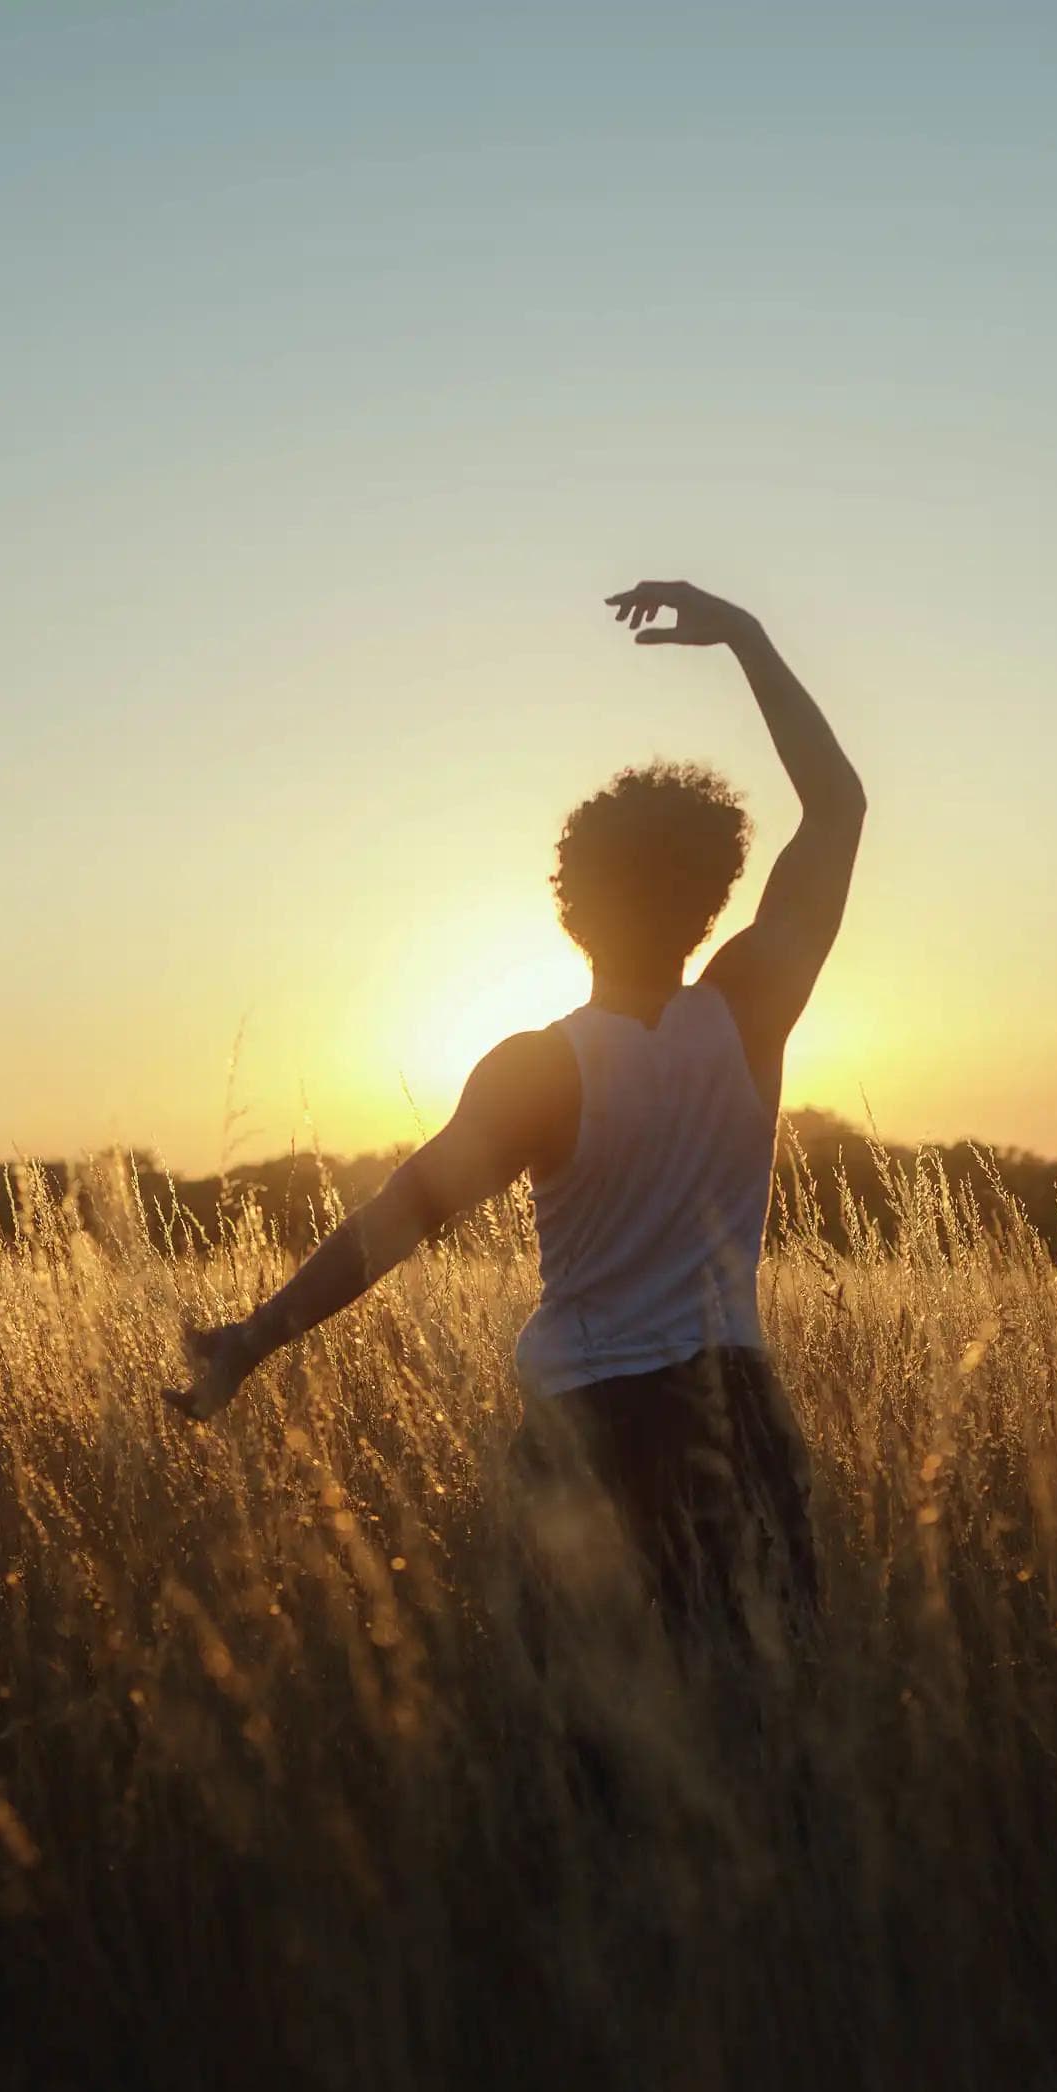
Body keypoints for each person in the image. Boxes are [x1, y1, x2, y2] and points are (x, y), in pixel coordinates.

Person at [167, 580, 865, 1665]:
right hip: (737, 1410)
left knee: (590, 1741)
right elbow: (836, 809)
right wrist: (744, 635)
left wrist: (249, 1342)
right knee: (760, 1724)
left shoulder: (538, 1073)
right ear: (711, 895)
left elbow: (393, 1223)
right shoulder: (748, 1010)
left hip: (590, 1431)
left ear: (567, 903)